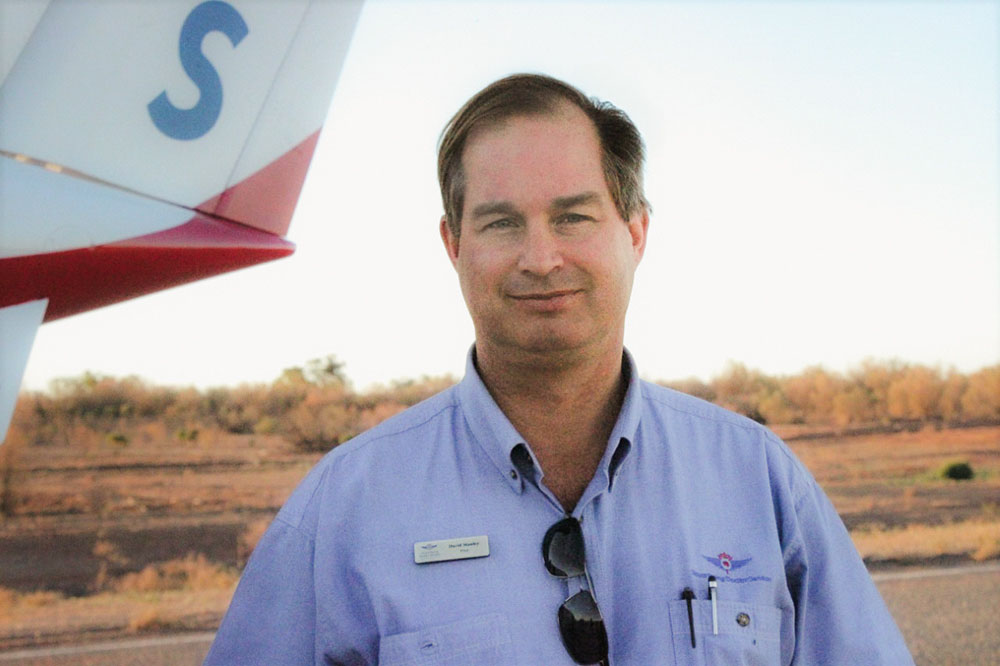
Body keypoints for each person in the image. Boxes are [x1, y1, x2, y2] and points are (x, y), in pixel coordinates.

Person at [204, 74, 913, 665]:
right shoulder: (344, 509)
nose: (541, 259)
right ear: (453, 245)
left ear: (635, 232)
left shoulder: (760, 480)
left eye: (573, 217)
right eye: (501, 223)